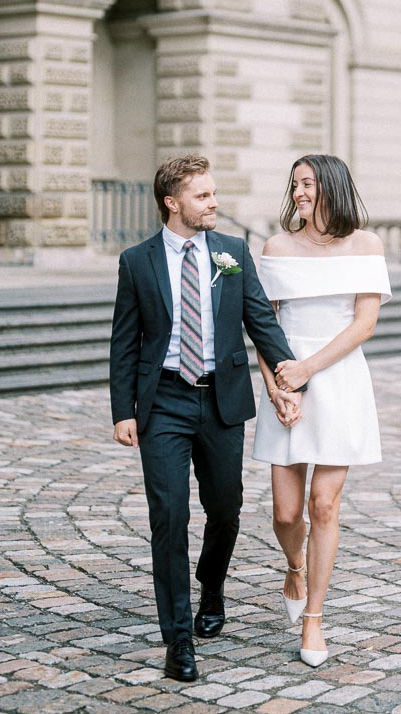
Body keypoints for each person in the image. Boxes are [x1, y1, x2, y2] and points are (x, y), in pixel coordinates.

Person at [109, 154, 299, 683]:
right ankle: (177, 640)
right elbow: (124, 343)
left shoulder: (232, 253)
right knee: (168, 517)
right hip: (163, 403)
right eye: (203, 196)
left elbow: (260, 318)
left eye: (214, 194)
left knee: (226, 507)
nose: (214, 203)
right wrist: (124, 410)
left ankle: (210, 587)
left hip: (221, 401)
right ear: (173, 203)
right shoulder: (137, 262)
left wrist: (288, 378)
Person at [252, 154, 391, 667]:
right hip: (285, 380)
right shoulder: (277, 247)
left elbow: (364, 324)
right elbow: (261, 325)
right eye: (295, 184)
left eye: (308, 183)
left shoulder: (366, 245)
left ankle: (314, 617)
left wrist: (307, 369)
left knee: (323, 504)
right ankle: (293, 565)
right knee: (286, 513)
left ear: (331, 186)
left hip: (338, 378)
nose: (299, 192)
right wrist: (276, 388)